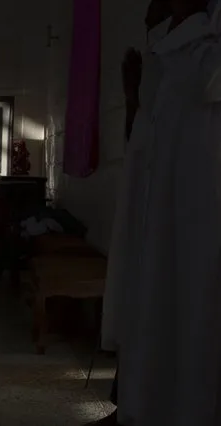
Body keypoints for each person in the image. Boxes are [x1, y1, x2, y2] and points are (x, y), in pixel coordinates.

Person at [101, 0, 221, 424]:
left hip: (197, 206)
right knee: (152, 298)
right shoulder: (168, 49)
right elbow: (144, 135)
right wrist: (133, 97)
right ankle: (138, 402)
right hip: (159, 202)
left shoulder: (204, 43)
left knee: (190, 306)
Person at [92, 2, 172, 425]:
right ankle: (127, 403)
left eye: (156, 16)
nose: (149, 26)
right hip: (148, 214)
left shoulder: (194, 57)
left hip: (178, 220)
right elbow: (138, 143)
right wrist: (131, 100)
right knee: (140, 306)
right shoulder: (158, 64)